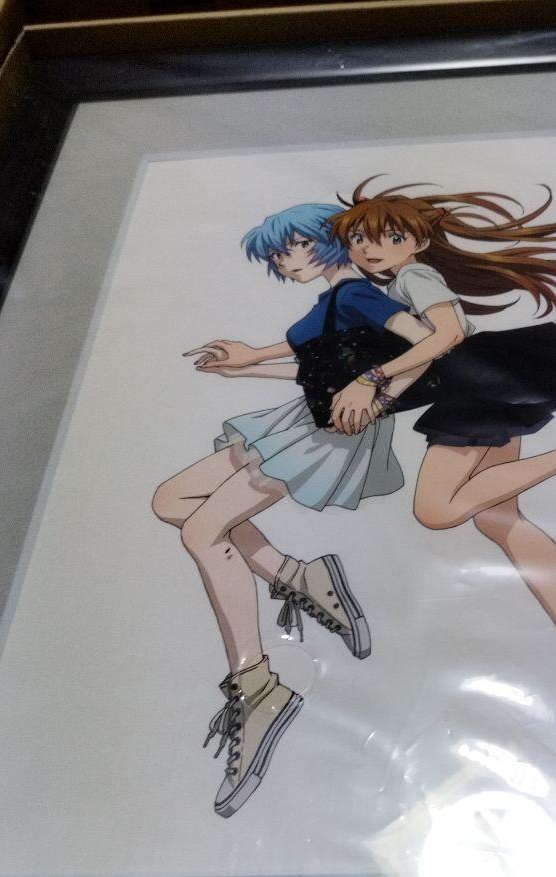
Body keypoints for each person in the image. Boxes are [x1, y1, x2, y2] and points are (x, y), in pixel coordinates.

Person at [327, 179, 556, 780]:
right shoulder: (398, 284)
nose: (370, 249)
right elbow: (432, 351)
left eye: (387, 237)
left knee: (436, 510)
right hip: (491, 382)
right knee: (500, 519)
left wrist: (371, 381)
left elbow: (448, 336)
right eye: (360, 240)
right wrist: (380, 396)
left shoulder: (413, 278)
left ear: (417, 242)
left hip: (478, 387)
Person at [151, 202, 432, 817]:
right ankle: (299, 577)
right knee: (171, 500)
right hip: (300, 417)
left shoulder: (357, 295)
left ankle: (256, 686)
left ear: (326, 240)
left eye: (291, 247)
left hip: (328, 432)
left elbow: (429, 347)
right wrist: (245, 365)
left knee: (203, 532)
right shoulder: (333, 302)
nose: (283, 261)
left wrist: (376, 393)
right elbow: (313, 365)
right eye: (276, 255)